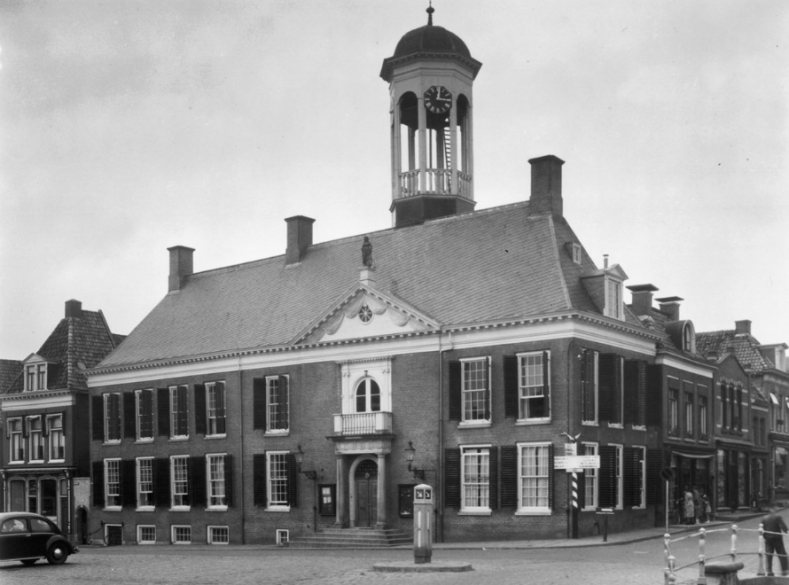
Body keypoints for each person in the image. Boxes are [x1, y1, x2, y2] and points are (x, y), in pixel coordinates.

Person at [762, 507, 789, 577]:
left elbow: (762, 528)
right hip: (777, 538)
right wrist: (787, 531)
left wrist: (765, 536)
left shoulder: (764, 518)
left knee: (769, 554)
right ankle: (784, 570)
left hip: (768, 538)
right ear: (773, 509)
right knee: (782, 553)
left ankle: (769, 571)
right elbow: (783, 527)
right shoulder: (778, 517)